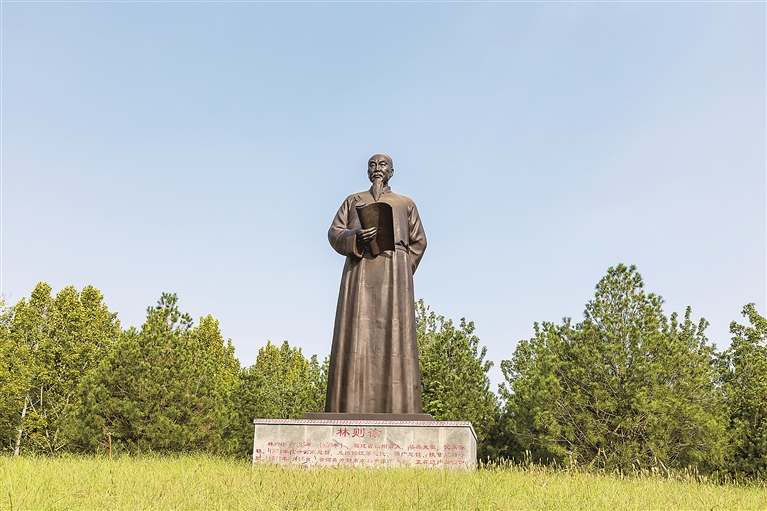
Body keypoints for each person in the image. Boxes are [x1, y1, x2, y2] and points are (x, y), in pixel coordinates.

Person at [325, 154, 427, 414]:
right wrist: (355, 237)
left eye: (383, 165)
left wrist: (403, 268)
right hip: (359, 270)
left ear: (392, 171)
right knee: (355, 333)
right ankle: (349, 406)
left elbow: (419, 241)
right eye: (372, 165)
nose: (377, 168)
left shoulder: (405, 203)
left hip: (394, 272)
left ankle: (399, 407)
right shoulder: (353, 201)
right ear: (367, 171)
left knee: (396, 334)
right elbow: (334, 232)